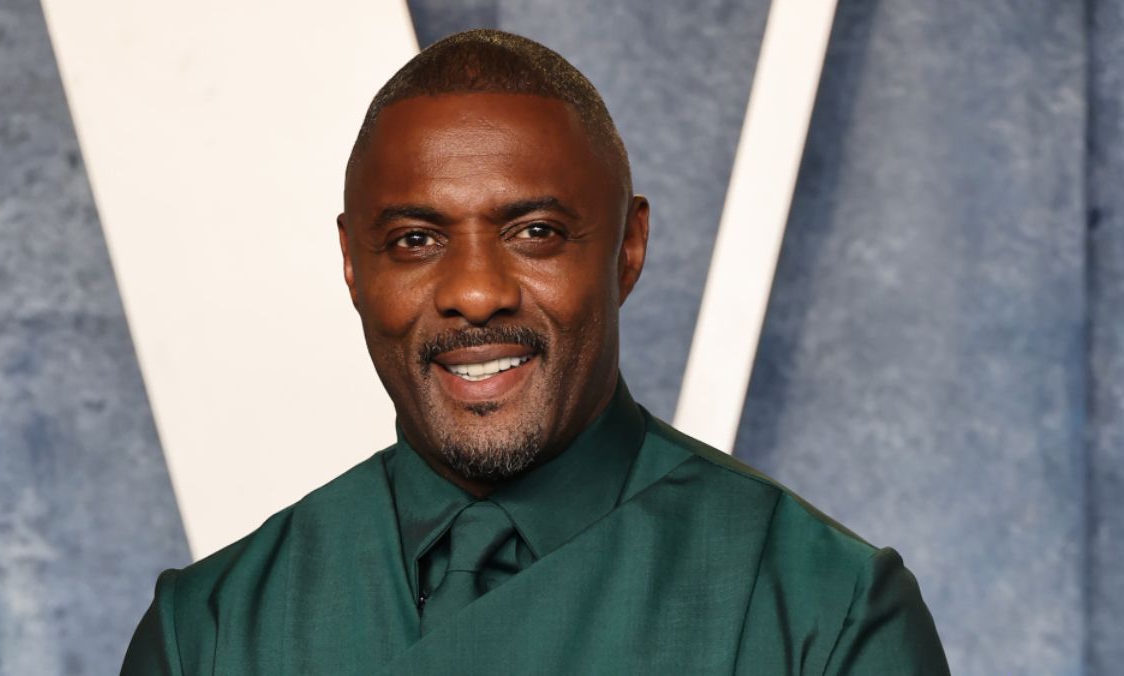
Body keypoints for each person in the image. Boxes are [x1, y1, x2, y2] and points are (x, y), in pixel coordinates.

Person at [122, 29, 948, 675]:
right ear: (352, 264)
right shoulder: (210, 634)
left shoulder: (825, 611)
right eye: (415, 240)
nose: (476, 292)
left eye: (535, 232)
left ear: (627, 248)